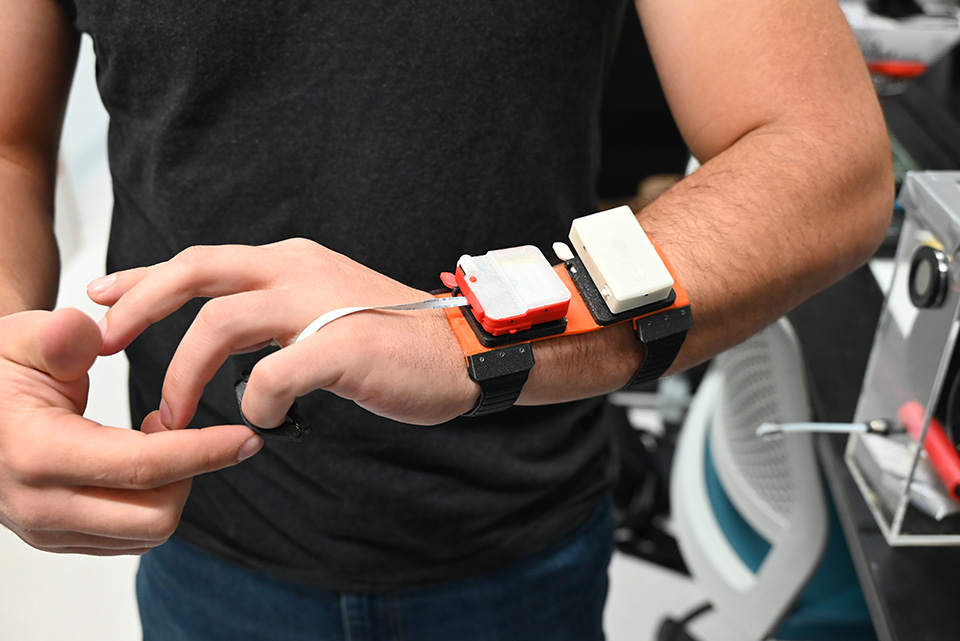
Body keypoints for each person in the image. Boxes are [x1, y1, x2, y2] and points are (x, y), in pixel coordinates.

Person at [0, 1, 892, 639]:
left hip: (516, 537)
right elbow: (8, 143)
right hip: (205, 526)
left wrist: (468, 334)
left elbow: (827, 156)